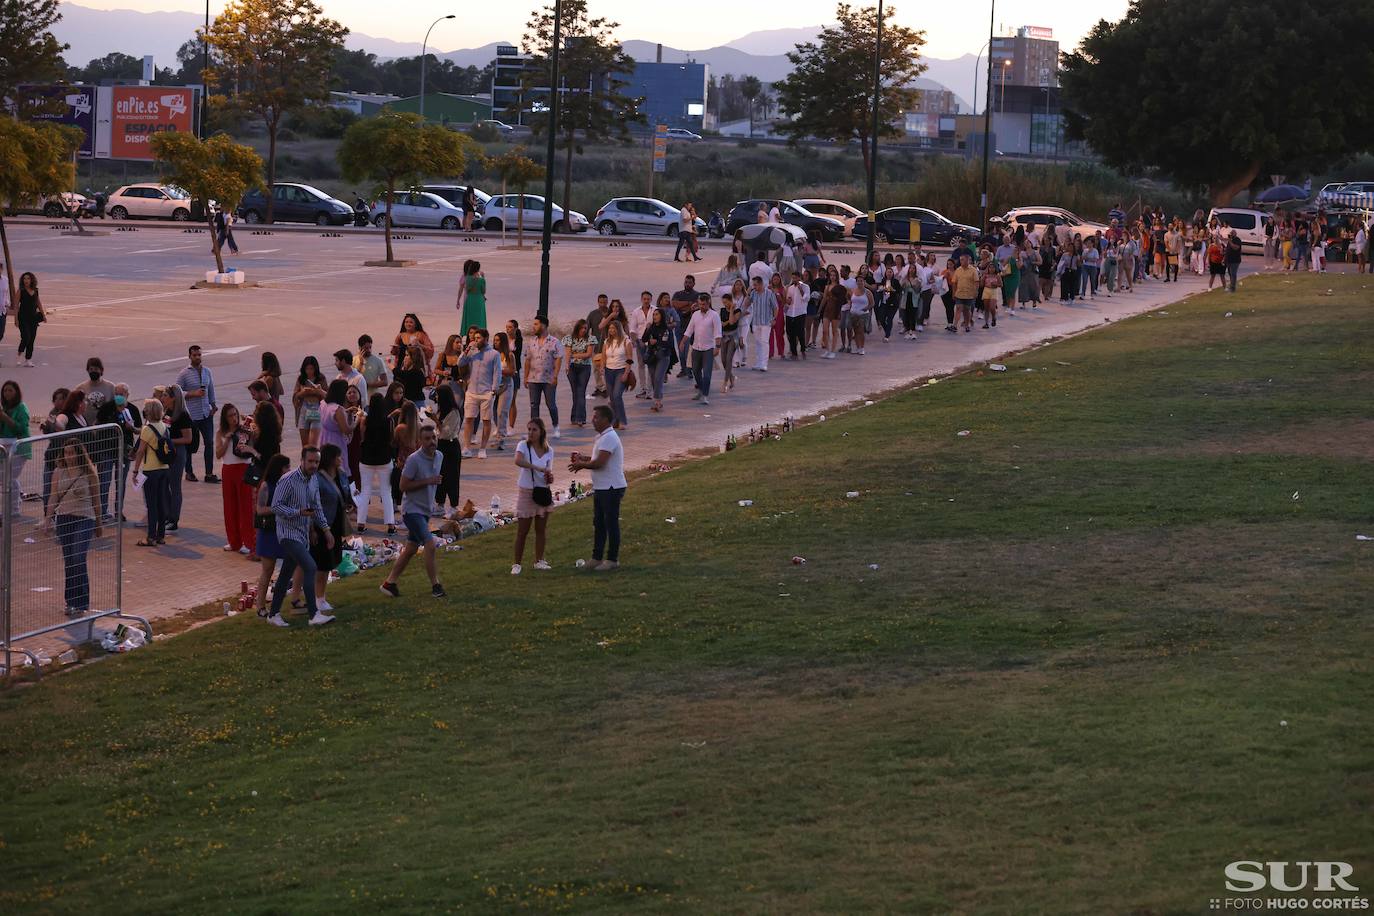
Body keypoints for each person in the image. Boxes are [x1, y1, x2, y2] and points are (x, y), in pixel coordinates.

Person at [264, 446, 335, 627]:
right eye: (310, 461)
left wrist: (326, 531)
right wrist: (298, 512)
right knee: (310, 566)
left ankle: (273, 614)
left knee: (286, 573)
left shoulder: (313, 481)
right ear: (302, 460)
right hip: (287, 533)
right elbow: (276, 507)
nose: (313, 465)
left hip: (302, 535)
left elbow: (316, 508)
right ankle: (314, 614)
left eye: (316, 462)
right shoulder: (288, 480)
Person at [379, 425, 447, 599]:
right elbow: (403, 486)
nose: (432, 441)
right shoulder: (414, 460)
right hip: (412, 511)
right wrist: (428, 481)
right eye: (427, 439)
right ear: (420, 441)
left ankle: (389, 583)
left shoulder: (439, 456)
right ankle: (436, 586)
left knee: (410, 549)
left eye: (433, 437)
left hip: (425, 511)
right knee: (430, 545)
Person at [45, 439, 102, 617]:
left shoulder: (89, 472)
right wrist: (48, 519)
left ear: (79, 453)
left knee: (78, 557)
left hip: (85, 518)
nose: (69, 456)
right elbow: (53, 496)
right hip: (64, 519)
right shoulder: (58, 472)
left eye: (72, 452)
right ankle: (71, 602)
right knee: (69, 561)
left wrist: (99, 524)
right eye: (66, 452)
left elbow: (96, 500)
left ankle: (82, 601)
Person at [569, 405, 626, 572]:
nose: (593, 420)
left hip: (611, 487)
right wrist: (584, 458)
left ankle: (612, 559)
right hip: (602, 487)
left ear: (606, 420)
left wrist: (582, 464)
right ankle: (596, 558)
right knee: (599, 523)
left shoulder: (609, 437)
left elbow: (600, 463)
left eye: (596, 417)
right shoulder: (603, 437)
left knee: (610, 523)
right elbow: (598, 458)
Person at [215, 403, 259, 558]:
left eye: (235, 414)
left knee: (246, 507)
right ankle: (234, 541)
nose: (234, 418)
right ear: (225, 418)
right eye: (230, 416)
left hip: (243, 469)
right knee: (230, 506)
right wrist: (227, 440)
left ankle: (249, 542)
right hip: (228, 470)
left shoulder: (245, 430)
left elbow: (253, 445)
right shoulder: (221, 432)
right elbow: (218, 454)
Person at [511, 418, 554, 575]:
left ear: (541, 431)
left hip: (542, 492)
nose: (530, 432)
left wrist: (550, 477)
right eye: (529, 429)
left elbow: (549, 470)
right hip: (527, 491)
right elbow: (518, 461)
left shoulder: (549, 450)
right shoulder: (523, 446)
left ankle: (539, 560)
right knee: (522, 531)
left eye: (534, 429)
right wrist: (536, 467)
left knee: (541, 529)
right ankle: (517, 564)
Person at [251, 453, 290, 617]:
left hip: (282, 531)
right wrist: (278, 508)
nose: (289, 469)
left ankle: (281, 600)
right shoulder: (266, 485)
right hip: (268, 533)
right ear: (279, 468)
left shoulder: (286, 484)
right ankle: (260, 605)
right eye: (287, 467)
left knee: (289, 566)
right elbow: (260, 509)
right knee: (268, 569)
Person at [310, 444, 348, 613]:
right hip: (322, 525)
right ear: (332, 459)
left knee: (330, 562)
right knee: (322, 564)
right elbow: (312, 503)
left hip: (336, 524)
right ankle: (319, 598)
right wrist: (312, 528)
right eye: (338, 456)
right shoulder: (318, 478)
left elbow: (345, 494)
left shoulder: (341, 475)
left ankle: (321, 596)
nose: (341, 459)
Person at [130, 398, 171, 547]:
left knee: (151, 504)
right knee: (161, 503)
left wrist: (135, 470)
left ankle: (150, 537)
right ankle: (161, 535)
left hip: (150, 470)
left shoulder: (147, 429)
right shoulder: (164, 426)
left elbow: (140, 451)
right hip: (164, 469)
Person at [354, 393, 397, 535]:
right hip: (384, 458)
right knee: (386, 492)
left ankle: (360, 523)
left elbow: (362, 438)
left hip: (366, 458)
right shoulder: (389, 421)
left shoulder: (365, 420)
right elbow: (391, 439)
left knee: (365, 491)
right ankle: (390, 524)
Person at [175, 345, 218, 484]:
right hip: (191, 415)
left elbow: (211, 388)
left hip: (206, 413)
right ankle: (189, 472)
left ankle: (209, 473)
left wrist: (213, 404)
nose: (197, 357)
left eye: (199, 355)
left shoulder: (207, 371)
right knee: (190, 445)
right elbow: (177, 392)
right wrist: (193, 393)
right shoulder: (184, 374)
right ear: (189, 356)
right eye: (195, 355)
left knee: (209, 443)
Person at [458, 327, 501, 457]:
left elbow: (497, 372)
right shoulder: (472, 352)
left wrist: (494, 390)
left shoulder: (494, 354)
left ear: (486, 339)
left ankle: (482, 448)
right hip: (471, 391)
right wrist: (466, 351)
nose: (476, 340)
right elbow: (460, 363)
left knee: (486, 420)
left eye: (478, 338)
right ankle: (466, 447)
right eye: (474, 338)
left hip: (486, 392)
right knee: (469, 419)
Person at [157, 384, 193, 531]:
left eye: (165, 395)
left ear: (173, 398)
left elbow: (188, 439)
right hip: (167, 452)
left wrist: (170, 441)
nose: (162, 398)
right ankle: (166, 515)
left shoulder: (182, 415)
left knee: (175, 486)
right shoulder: (166, 413)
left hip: (177, 453)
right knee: (164, 484)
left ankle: (174, 519)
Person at [524, 316, 563, 438]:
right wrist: (525, 377)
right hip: (533, 378)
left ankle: (556, 426)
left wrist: (555, 376)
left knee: (551, 404)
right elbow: (527, 360)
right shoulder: (532, 342)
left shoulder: (554, 342)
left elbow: (558, 359)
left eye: (536, 324)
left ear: (544, 325)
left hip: (548, 378)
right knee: (534, 405)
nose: (533, 327)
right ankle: (534, 430)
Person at [317, 379, 356, 491]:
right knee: (338, 470)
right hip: (336, 442)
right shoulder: (337, 409)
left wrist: (345, 413)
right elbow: (346, 429)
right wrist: (355, 420)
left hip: (324, 439)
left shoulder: (324, 403)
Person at [0, 380, 30, 518]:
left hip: (18, 448)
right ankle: (14, 503)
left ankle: (14, 508)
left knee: (10, 477)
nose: (7, 393)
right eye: (5, 390)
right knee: (4, 477)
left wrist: (4, 417)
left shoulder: (21, 408)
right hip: (4, 447)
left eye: (10, 390)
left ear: (16, 392)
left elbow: (21, 428)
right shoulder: (4, 408)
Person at [685, 292, 722, 406]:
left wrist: (718, 347)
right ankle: (701, 389)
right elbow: (689, 330)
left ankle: (705, 395)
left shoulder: (714, 315)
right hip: (696, 347)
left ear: (708, 303)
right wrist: (682, 343)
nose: (702, 306)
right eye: (700, 304)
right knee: (695, 371)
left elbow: (718, 333)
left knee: (706, 373)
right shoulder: (695, 314)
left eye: (704, 304)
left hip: (708, 349)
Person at [561, 319, 596, 428]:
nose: (584, 330)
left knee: (581, 392)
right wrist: (566, 366)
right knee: (575, 393)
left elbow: (588, 354)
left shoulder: (591, 339)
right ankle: (574, 417)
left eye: (586, 328)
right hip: (572, 367)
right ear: (577, 328)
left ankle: (581, 418)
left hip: (585, 367)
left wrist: (574, 355)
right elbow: (567, 353)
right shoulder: (569, 338)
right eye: (582, 328)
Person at [641, 307, 677, 412]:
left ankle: (657, 401)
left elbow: (669, 344)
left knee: (658, 378)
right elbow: (644, 339)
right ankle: (657, 399)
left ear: (661, 316)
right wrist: (646, 329)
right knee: (653, 378)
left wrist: (656, 342)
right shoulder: (651, 327)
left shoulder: (666, 329)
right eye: (654, 315)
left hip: (663, 356)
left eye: (657, 314)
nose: (655, 317)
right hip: (652, 356)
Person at [602, 316, 633, 428]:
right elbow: (603, 357)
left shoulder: (626, 341)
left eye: (614, 328)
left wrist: (626, 373)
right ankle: (615, 420)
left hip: (621, 370)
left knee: (617, 395)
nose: (611, 330)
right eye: (610, 328)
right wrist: (602, 368)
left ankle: (623, 421)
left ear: (618, 329)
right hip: (608, 371)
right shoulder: (607, 341)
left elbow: (629, 359)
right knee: (611, 397)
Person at [745, 274, 777, 371]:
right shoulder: (753, 293)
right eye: (753, 285)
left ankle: (764, 363)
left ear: (761, 284)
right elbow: (746, 304)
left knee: (764, 342)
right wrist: (748, 293)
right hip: (756, 322)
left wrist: (774, 319)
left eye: (755, 285)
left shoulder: (769, 293)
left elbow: (775, 307)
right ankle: (758, 362)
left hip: (766, 322)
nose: (754, 287)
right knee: (758, 342)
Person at [14, 272, 46, 367]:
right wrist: (16, 319)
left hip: (33, 318)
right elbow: (16, 306)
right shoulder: (21, 291)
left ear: (32, 280)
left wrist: (43, 315)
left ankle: (28, 359)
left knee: (32, 339)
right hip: (23, 318)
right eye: (24, 279)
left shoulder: (35, 290)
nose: (26, 280)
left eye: (28, 278)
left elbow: (38, 303)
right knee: (26, 337)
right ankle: (19, 355)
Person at [492, 330, 517, 449]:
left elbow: (512, 371)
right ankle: (498, 431)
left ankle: (501, 438)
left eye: (498, 340)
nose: (495, 342)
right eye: (494, 340)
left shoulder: (509, 355)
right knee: (494, 411)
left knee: (502, 411)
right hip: (494, 385)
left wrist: (499, 371)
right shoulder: (492, 354)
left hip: (506, 385)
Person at [293, 356, 326, 448]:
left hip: (316, 410)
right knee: (305, 444)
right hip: (304, 410)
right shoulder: (301, 379)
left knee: (313, 444)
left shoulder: (321, 378)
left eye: (311, 369)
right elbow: (295, 395)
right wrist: (302, 393)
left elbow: (327, 396)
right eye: (307, 369)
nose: (309, 371)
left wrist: (318, 391)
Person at [718, 293, 744, 391]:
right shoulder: (722, 310)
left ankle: (725, 382)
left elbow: (732, 322)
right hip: (724, 335)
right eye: (723, 302)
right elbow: (722, 324)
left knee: (729, 359)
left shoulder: (737, 310)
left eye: (726, 302)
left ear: (731, 301)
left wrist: (732, 309)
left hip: (734, 336)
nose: (725, 304)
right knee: (723, 360)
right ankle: (731, 376)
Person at [952, 252, 979, 334]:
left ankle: (967, 325)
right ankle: (955, 325)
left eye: (963, 260)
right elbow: (954, 282)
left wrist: (975, 292)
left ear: (968, 260)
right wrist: (954, 292)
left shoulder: (973, 270)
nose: (961, 261)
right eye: (960, 260)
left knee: (967, 310)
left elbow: (976, 282)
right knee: (959, 308)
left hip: (969, 294)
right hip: (959, 293)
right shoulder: (958, 270)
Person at [459, 260, 487, 332]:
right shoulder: (481, 279)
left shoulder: (467, 278)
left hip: (470, 299)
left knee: (469, 318)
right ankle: (480, 333)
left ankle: (467, 332)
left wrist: (458, 300)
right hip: (479, 300)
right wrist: (483, 278)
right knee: (479, 318)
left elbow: (466, 290)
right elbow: (483, 291)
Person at [847, 272, 872, 353]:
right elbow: (851, 301)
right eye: (858, 281)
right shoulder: (853, 291)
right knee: (855, 331)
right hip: (853, 313)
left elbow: (872, 303)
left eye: (861, 281)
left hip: (863, 314)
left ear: (864, 282)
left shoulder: (867, 292)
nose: (859, 282)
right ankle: (857, 347)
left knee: (861, 331)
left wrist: (866, 308)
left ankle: (862, 348)